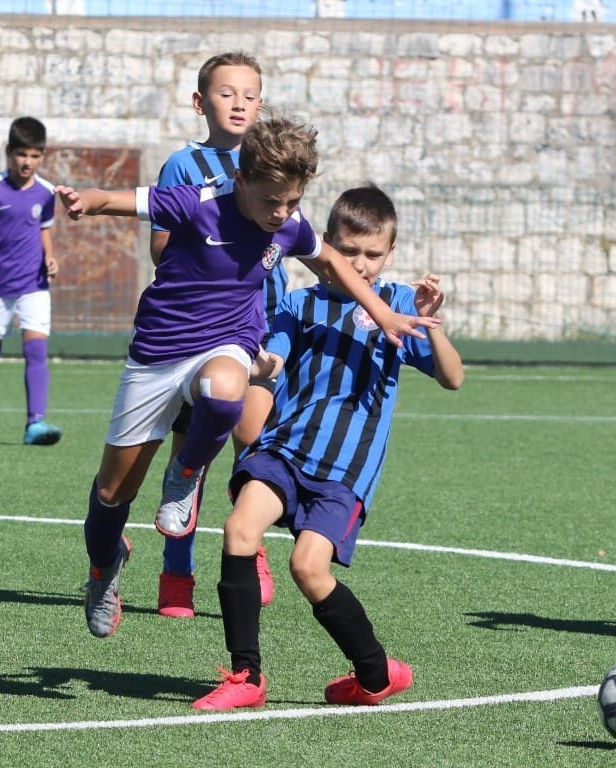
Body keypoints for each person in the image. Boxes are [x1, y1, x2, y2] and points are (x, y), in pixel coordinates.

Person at [55, 117, 439, 640]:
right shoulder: (196, 202)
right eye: (271, 201)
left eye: (292, 202)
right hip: (158, 354)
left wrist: (384, 313)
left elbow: (332, 263)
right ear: (241, 180)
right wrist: (86, 201)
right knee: (111, 493)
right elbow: (117, 199)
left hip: (228, 343)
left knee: (227, 389)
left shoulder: (288, 224)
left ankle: (186, 473)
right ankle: (105, 566)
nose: (281, 213)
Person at [192, 183, 464, 711]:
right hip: (283, 450)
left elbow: (453, 378)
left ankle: (374, 673)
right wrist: (241, 358)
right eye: (348, 251)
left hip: (344, 471)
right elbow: (271, 362)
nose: (359, 264)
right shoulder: (300, 303)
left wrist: (433, 325)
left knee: (308, 568)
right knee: (239, 529)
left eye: (373, 254)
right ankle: (247, 676)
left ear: (390, 254)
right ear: (327, 245)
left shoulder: (398, 306)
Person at [151, 51, 276, 620]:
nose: (239, 104)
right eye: (227, 94)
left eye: (249, 95)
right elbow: (161, 246)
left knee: (253, 443)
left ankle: (249, 547)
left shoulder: (272, 163)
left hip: (256, 329)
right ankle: (176, 573)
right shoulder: (184, 165)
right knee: (192, 456)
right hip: (198, 333)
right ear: (201, 103)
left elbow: (290, 240)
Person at [0, 116, 62, 447]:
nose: (27, 162)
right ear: (9, 153)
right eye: (22, 154)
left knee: (36, 351)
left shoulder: (46, 192)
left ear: (42, 155)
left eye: (34, 155)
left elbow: (44, 231)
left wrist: (50, 257)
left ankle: (35, 423)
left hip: (34, 284)